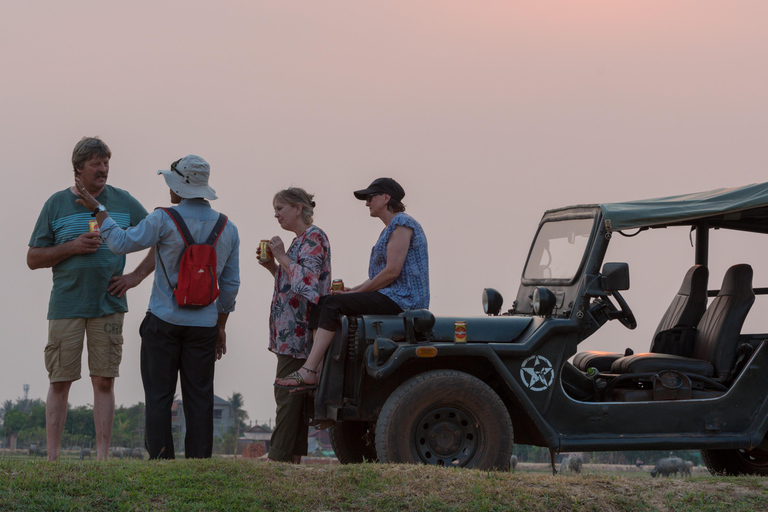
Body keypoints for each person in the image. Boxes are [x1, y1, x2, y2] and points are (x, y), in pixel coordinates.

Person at [75, 154, 240, 459]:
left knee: (159, 396)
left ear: (180, 188)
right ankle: (199, 462)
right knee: (200, 398)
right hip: (204, 325)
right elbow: (230, 286)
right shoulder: (228, 228)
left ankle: (161, 459)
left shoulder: (163, 219)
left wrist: (99, 210)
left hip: (163, 320)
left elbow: (121, 243)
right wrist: (221, 326)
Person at [27, 136, 154, 462]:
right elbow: (33, 258)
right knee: (59, 381)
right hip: (66, 305)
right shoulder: (56, 204)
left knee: (104, 381)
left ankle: (102, 459)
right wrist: (72, 247)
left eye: (106, 162)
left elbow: (161, 238)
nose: (103, 169)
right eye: (96, 163)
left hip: (109, 304)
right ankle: (52, 460)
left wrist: (135, 277)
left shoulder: (124, 201)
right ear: (78, 169)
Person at [275, 177, 428, 391]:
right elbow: (381, 275)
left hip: (404, 301)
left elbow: (392, 272)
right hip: (392, 296)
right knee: (323, 302)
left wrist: (355, 294)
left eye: (370, 197)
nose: (367, 203)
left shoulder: (402, 223)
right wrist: (354, 290)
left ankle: (309, 370)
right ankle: (316, 371)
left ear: (386, 198)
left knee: (332, 304)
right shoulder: (389, 229)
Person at [258, 187, 331, 463]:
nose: (276, 215)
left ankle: (278, 457)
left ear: (298, 208)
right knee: (293, 394)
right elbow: (291, 281)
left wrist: (281, 256)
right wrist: (272, 266)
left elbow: (308, 284)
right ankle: (291, 458)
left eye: (280, 209)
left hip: (300, 333)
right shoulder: (300, 241)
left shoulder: (314, 237)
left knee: (286, 391)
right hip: (290, 332)